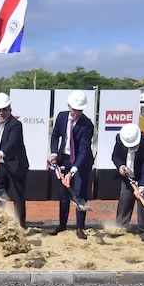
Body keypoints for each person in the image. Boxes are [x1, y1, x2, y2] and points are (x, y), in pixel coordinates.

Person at [48, 90, 95, 239]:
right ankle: (62, 224)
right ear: (69, 106)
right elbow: (55, 135)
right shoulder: (61, 117)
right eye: (75, 110)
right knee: (63, 195)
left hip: (81, 163)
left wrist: (72, 172)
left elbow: (83, 150)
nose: (77, 113)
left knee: (80, 194)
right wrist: (54, 153)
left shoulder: (87, 125)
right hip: (64, 159)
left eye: (80, 110)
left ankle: (80, 227)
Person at [0, 92, 28, 231]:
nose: (1, 113)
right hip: (0, 167)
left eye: (4, 109)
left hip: (16, 166)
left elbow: (11, 144)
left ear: (10, 109)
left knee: (18, 197)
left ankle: (21, 226)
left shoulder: (16, 125)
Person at [112, 123, 144, 242]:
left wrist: (142, 187)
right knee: (125, 198)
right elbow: (116, 156)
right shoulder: (120, 139)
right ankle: (119, 227)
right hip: (128, 175)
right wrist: (120, 166)